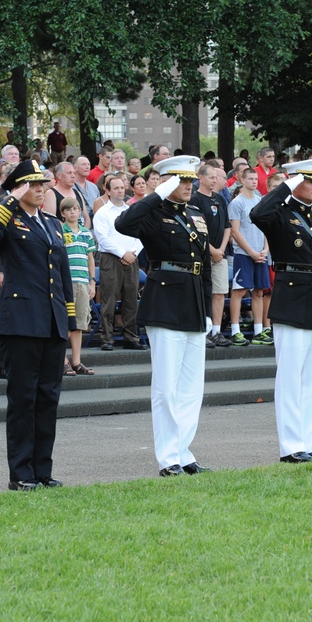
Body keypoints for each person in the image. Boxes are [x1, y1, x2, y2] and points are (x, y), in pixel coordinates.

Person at [0, 160, 76, 491]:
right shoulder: (7, 218)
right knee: (23, 399)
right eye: (31, 184)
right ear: (19, 187)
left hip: (51, 320)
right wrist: (9, 199)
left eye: (41, 183)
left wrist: (69, 318)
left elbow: (62, 273)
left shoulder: (51, 222)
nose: (39, 188)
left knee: (48, 398)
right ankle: (21, 473)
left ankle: (42, 470)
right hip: (20, 321)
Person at [114, 155, 213, 476]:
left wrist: (209, 308)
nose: (188, 186)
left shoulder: (197, 213)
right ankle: (168, 457)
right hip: (166, 301)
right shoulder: (152, 213)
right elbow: (123, 224)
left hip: (194, 301)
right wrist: (156, 193)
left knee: (191, 387)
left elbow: (205, 264)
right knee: (167, 386)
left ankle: (184, 450)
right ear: (169, 181)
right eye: (181, 181)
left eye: (190, 180)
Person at [250, 158, 312, 463]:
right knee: (290, 377)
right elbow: (257, 213)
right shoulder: (279, 212)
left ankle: (308, 441)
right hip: (292, 297)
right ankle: (291, 445)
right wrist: (285, 185)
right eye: (309, 181)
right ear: (295, 183)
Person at [91, 175, 145, 351]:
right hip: (111, 259)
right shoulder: (103, 213)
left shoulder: (131, 211)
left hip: (132, 258)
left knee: (131, 299)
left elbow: (142, 234)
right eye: (116, 188)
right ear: (107, 191)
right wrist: (123, 253)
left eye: (122, 188)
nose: (120, 191)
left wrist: (133, 253)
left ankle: (131, 337)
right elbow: (103, 239)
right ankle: (107, 338)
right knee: (109, 299)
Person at [189, 163, 232, 348]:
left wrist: (221, 249)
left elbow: (227, 227)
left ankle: (216, 331)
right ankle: (204, 330)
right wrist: (212, 249)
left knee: (220, 292)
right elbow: (195, 230)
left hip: (220, 254)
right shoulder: (194, 200)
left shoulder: (220, 199)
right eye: (211, 177)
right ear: (201, 178)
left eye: (217, 177)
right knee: (203, 292)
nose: (215, 180)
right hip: (202, 254)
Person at [228, 167, 270, 346]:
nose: (254, 181)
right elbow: (235, 232)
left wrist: (265, 249)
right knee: (239, 291)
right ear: (242, 181)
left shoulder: (261, 201)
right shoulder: (237, 203)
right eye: (250, 178)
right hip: (244, 253)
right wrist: (251, 252)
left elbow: (267, 227)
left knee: (259, 291)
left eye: (255, 179)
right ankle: (235, 330)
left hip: (260, 253)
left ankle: (259, 330)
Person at [60, 196, 96, 375]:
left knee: (80, 323)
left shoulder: (86, 233)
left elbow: (90, 258)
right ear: (62, 214)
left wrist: (92, 281)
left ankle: (76, 360)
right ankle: (61, 359)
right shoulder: (60, 231)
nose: (72, 212)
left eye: (75, 209)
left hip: (83, 281)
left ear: (80, 211)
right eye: (68, 210)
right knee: (66, 322)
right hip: (67, 282)